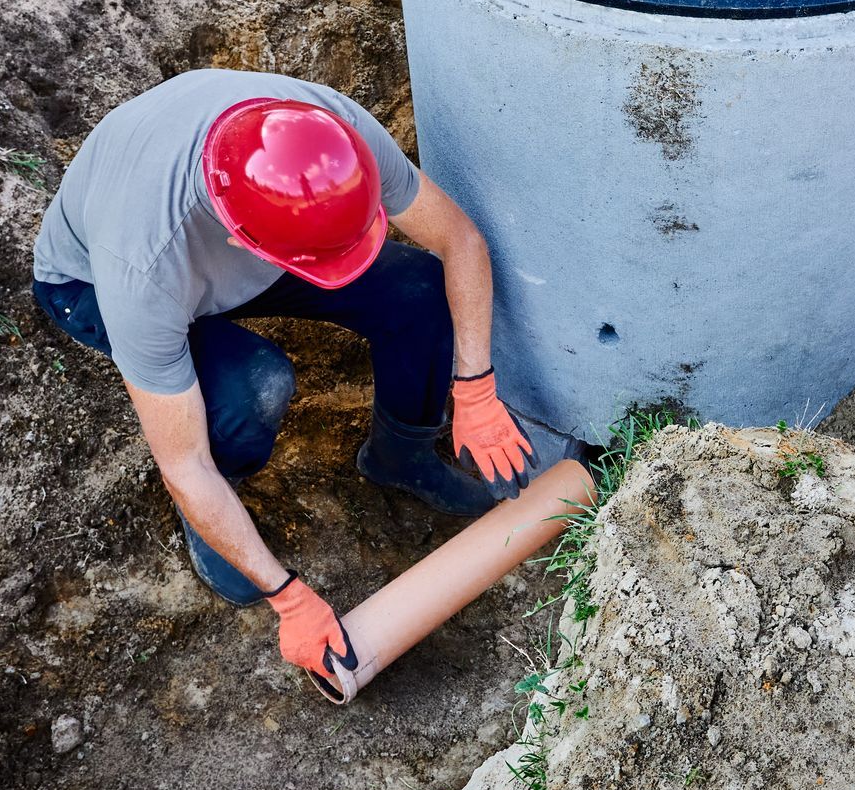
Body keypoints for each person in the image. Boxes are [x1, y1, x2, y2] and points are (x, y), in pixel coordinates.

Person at [31, 67, 539, 697]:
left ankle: (400, 453)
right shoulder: (144, 267)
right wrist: (289, 597)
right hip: (87, 285)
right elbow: (181, 462)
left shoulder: (333, 138)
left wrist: (476, 389)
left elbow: (458, 239)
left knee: (417, 290)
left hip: (261, 240)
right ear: (249, 240)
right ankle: (216, 523)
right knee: (256, 387)